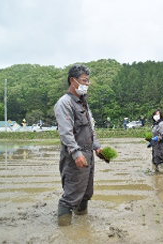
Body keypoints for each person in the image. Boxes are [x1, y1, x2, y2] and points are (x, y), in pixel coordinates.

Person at [54, 64, 103, 226]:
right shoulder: (64, 103)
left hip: (88, 154)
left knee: (86, 193)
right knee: (71, 195)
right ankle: (65, 230)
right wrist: (76, 153)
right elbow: (65, 133)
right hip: (74, 157)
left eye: (88, 80)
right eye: (84, 80)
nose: (87, 84)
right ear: (72, 80)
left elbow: (90, 129)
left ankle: (82, 226)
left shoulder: (83, 103)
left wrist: (97, 146)